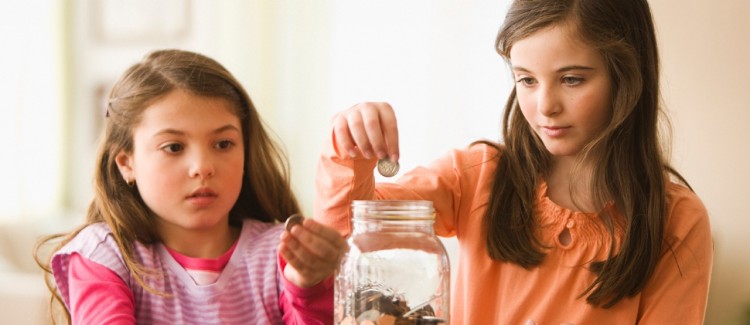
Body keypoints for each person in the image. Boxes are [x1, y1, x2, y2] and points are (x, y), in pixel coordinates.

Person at [314, 0, 713, 324]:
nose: (545, 107)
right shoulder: (475, 176)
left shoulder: (677, 222)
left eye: (572, 79)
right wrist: (348, 145)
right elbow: (344, 237)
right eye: (527, 80)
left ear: (626, 77)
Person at [34, 49, 346, 324]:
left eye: (223, 143)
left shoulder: (283, 253)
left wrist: (308, 285)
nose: (203, 167)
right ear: (127, 164)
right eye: (173, 147)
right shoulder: (104, 256)